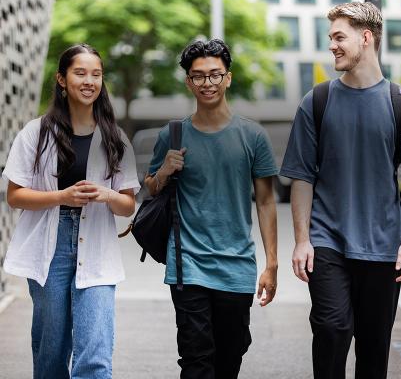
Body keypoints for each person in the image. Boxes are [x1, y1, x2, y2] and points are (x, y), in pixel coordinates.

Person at [280, 2, 401, 379]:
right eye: (330, 37)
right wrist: (303, 240)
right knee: (332, 330)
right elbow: (301, 177)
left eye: (339, 37)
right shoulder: (317, 102)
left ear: (366, 38)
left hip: (383, 248)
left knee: (373, 348)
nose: (332, 45)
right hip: (327, 242)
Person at [2, 43, 140, 378]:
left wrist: (107, 194)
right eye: (80, 72)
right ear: (62, 79)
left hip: (96, 246)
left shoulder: (115, 138)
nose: (89, 80)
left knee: (95, 354)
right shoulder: (36, 133)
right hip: (49, 249)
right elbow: (15, 196)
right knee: (51, 352)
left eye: (96, 74)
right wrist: (61, 196)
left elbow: (128, 205)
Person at [145, 38, 278, 379]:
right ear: (188, 82)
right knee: (196, 358)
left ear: (228, 78)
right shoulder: (171, 135)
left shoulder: (253, 136)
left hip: (236, 266)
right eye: (199, 76)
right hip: (187, 264)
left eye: (215, 75)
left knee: (231, 356)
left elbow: (265, 202)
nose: (207, 83)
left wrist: (272, 264)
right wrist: (163, 171)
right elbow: (150, 187)